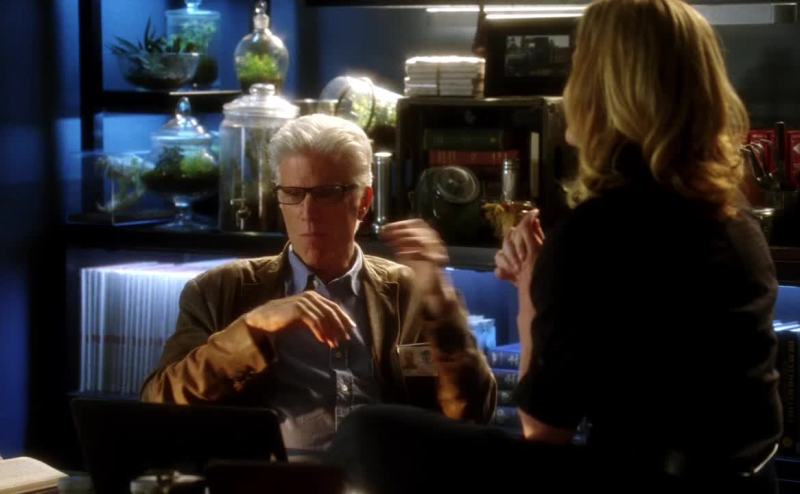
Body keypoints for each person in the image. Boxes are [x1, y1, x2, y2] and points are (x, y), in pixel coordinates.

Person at [330, 0, 782, 492]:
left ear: (603, 90)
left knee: (366, 433)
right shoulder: (738, 223)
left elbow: (542, 428)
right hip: (753, 481)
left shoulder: (596, 232)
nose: (568, 89)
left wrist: (531, 291)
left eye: (577, 69)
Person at [140, 114, 496, 452]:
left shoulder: (410, 292)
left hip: (383, 480)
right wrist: (252, 328)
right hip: (269, 480)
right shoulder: (220, 289)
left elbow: (473, 414)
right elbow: (159, 401)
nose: (307, 212)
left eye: (327, 193)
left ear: (363, 202)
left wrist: (441, 308)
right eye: (293, 193)